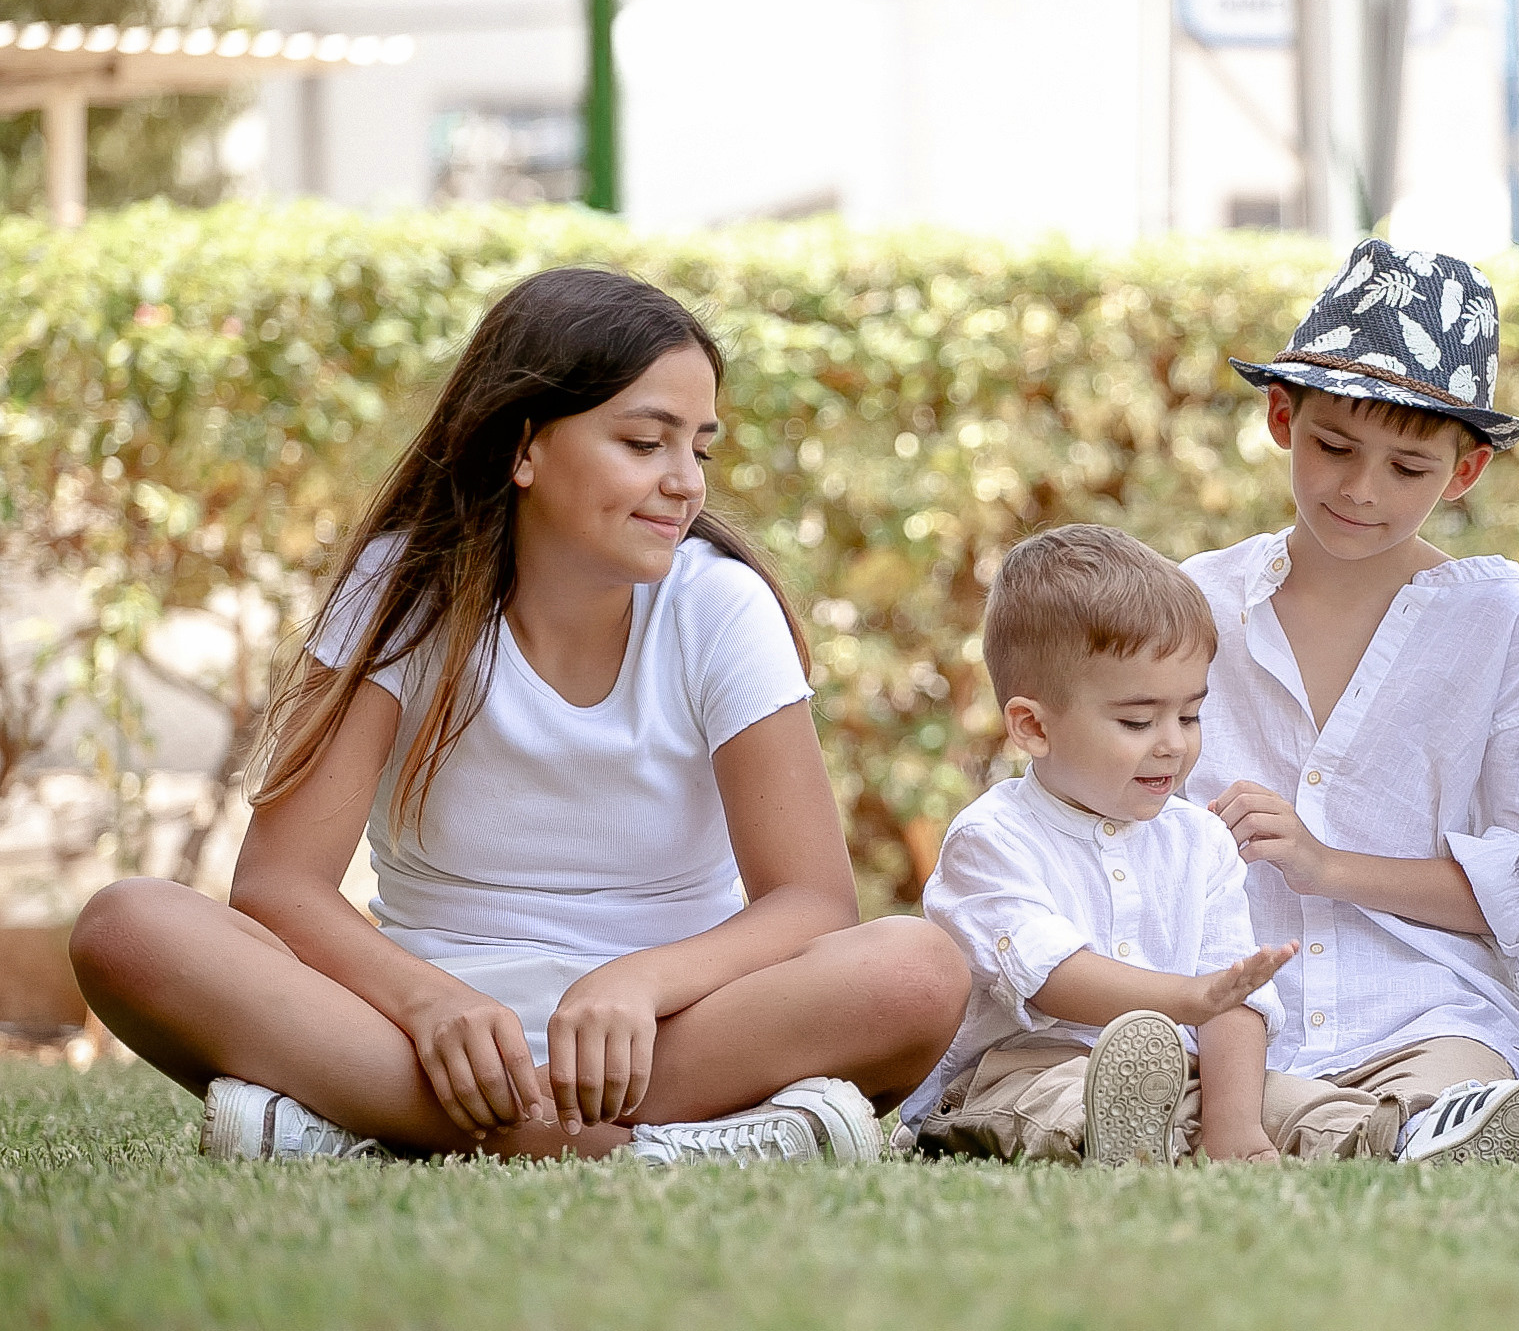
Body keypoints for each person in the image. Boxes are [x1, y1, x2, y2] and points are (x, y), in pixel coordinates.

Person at [69, 267, 968, 1164]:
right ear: (523, 448)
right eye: (645, 442)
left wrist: (640, 981)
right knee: (128, 927)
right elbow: (278, 884)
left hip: (672, 1028)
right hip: (431, 1033)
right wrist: (428, 1003)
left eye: (700, 447)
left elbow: (811, 901)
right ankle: (674, 1145)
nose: (685, 482)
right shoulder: (400, 593)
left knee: (917, 971)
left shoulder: (720, 607)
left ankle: (363, 1132)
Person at [1181, 238, 1519, 1164]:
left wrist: (1326, 866)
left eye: (1408, 469)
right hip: (1234, 1016)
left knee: (1457, 1083)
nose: (1360, 490)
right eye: (1334, 447)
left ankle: (1420, 1125)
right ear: (1283, 419)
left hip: (1423, 1006)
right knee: (1210, 1081)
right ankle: (1335, 1131)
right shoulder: (1195, 605)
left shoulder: (1490, 619)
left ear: (1464, 473)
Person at [908, 524, 1298, 1165]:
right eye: (1138, 721)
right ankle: (1122, 1135)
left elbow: (1233, 999)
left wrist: (1234, 1127)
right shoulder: (992, 840)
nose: (1172, 743)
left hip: (1178, 1079)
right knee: (1059, 1099)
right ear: (1033, 726)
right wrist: (1187, 999)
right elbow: (1049, 977)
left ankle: (1402, 1134)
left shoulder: (1200, 841)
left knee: (1284, 1102)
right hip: (1010, 1077)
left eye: (1191, 715)